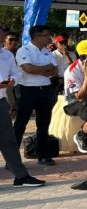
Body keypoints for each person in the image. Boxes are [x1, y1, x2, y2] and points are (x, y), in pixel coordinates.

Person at [0, 27, 45, 187]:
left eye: (2, 36)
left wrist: (12, 80)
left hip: (1, 102)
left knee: (9, 141)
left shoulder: (7, 55)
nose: (2, 39)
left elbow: (15, 73)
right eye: (2, 37)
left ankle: (21, 176)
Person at [13, 25, 58, 166]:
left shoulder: (47, 52)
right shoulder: (23, 50)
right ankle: (12, 159)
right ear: (37, 36)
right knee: (21, 124)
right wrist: (46, 68)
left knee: (43, 125)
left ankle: (43, 156)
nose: (49, 38)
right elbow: (28, 69)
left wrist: (38, 69)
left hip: (45, 90)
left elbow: (55, 71)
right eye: (46, 35)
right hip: (28, 90)